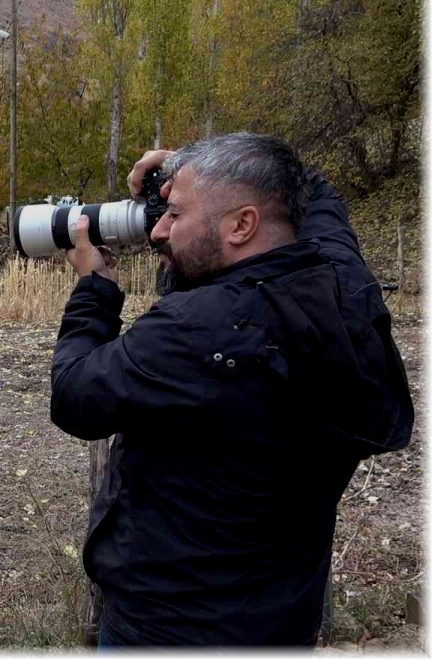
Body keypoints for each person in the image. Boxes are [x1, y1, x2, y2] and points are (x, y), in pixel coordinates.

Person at [50, 132, 414, 646]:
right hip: (282, 620)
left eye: (174, 213)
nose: (157, 230)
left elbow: (74, 395)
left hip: (166, 629)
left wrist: (96, 288)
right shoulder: (342, 286)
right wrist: (195, 164)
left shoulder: (196, 331)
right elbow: (317, 194)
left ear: (243, 224)